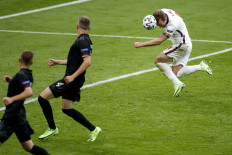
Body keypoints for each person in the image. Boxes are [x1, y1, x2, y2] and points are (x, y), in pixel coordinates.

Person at [38, 16, 101, 141]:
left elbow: (87, 62)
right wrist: (57, 62)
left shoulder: (82, 41)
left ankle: (52, 128)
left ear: (77, 26)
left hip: (71, 80)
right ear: (89, 28)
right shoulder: (85, 40)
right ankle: (94, 129)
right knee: (67, 109)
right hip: (74, 79)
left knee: (42, 98)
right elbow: (75, 61)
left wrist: (72, 76)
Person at [134, 9, 212, 97]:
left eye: (160, 25)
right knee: (175, 74)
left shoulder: (172, 24)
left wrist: (140, 44)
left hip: (181, 46)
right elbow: (179, 16)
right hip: (187, 43)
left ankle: (178, 84)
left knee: (158, 61)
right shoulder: (164, 11)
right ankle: (200, 66)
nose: (160, 27)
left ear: (165, 20)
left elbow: (159, 41)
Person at [0, 50, 50, 155]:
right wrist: (12, 80)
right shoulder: (27, 74)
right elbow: (22, 86)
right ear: (32, 62)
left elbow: (28, 92)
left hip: (12, 116)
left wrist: (11, 99)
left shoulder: (21, 75)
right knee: (28, 146)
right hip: (20, 115)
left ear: (19, 60)